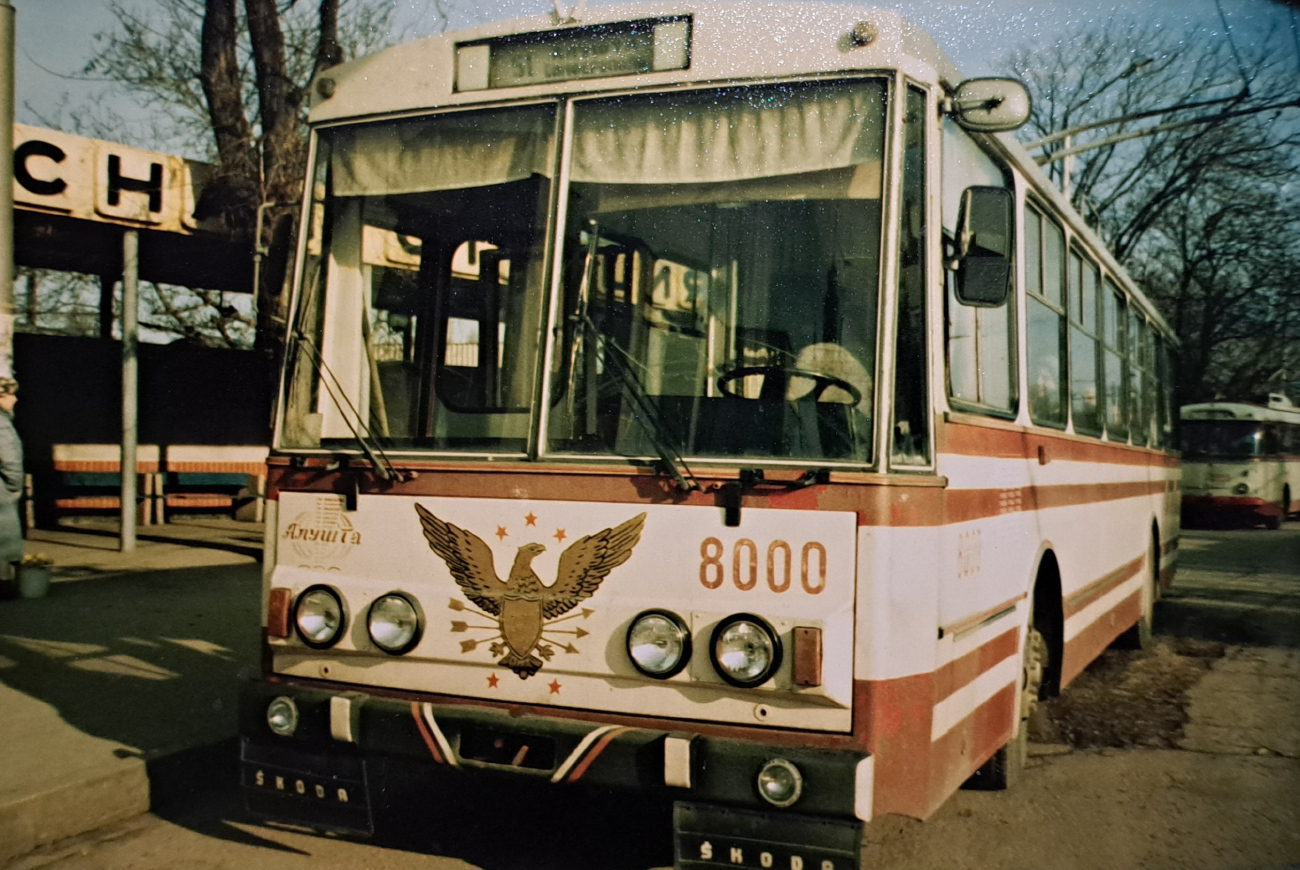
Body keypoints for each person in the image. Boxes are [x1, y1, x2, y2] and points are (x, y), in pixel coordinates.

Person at [0, 378, 24, 580]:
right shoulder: (2, 425)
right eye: (11, 394)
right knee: (5, 540)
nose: (15, 399)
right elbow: (10, 460)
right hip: (1, 492)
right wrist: (14, 486)